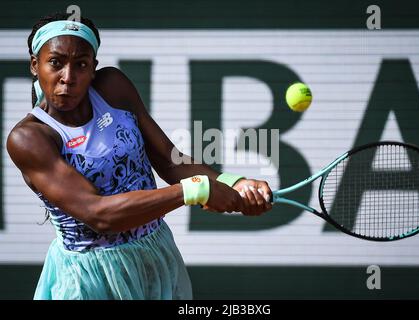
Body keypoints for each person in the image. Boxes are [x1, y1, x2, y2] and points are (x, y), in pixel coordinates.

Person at [6, 13, 273, 300]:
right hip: (89, 280)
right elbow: (100, 215)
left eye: (81, 64)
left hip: (155, 257)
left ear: (94, 68)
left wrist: (233, 181)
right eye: (55, 63)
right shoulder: (29, 138)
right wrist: (195, 190)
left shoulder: (113, 87)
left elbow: (169, 160)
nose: (68, 77)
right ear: (35, 65)